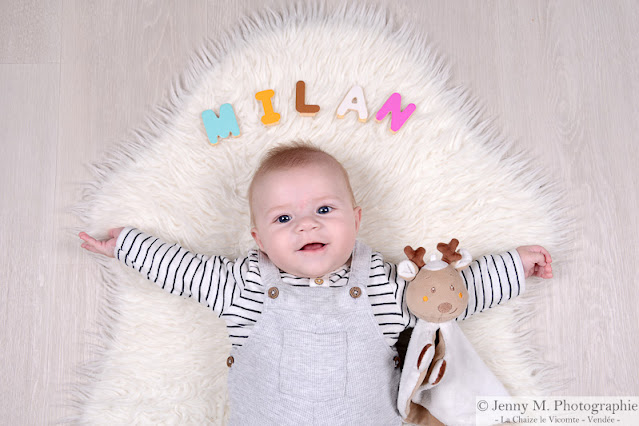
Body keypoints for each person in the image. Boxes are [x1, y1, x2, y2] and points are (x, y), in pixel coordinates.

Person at [79, 142, 553, 425]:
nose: (306, 225)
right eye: (284, 218)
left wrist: (514, 266)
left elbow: (448, 299)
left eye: (324, 210)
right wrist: (127, 245)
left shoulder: (385, 288)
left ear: (357, 220)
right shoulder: (243, 285)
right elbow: (182, 270)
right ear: (259, 239)